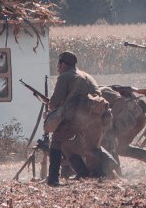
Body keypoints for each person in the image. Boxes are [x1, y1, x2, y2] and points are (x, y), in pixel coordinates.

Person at [44, 51, 117, 186]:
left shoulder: (65, 77)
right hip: (96, 117)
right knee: (90, 147)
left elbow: (54, 102)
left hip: (76, 118)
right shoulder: (87, 76)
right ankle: (106, 162)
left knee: (57, 142)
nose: (57, 67)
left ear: (64, 64)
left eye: (59, 64)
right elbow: (97, 94)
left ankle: (53, 179)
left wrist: (51, 107)